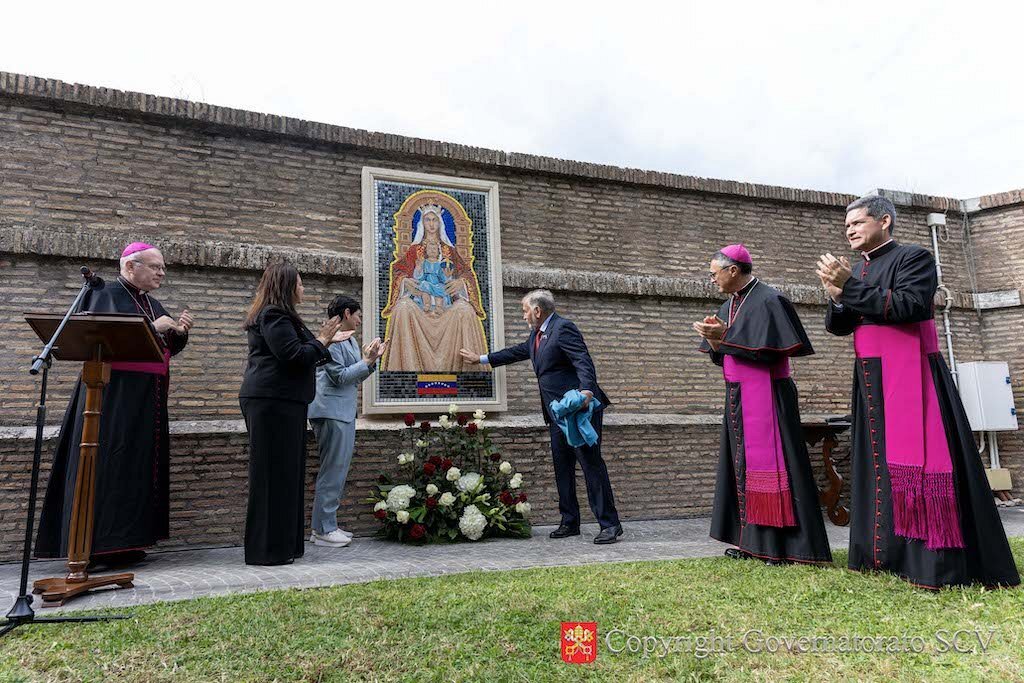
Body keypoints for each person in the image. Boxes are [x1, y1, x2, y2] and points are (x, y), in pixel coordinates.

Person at [818, 194, 1020, 589]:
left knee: (924, 464)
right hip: (871, 380)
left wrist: (849, 288)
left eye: (858, 223)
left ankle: (931, 562)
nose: (851, 231)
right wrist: (837, 295)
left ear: (885, 221)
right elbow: (839, 326)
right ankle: (882, 555)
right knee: (877, 468)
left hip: (913, 377)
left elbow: (909, 306)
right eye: (847, 227)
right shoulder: (858, 270)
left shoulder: (914, 258)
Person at [36, 242, 193, 569]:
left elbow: (162, 348)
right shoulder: (103, 293)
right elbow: (103, 340)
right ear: (130, 266)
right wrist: (155, 327)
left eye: (163, 268)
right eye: (155, 267)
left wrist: (178, 333)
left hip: (147, 401)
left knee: (135, 471)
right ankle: (94, 548)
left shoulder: (152, 302)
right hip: (111, 398)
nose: (162, 273)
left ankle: (128, 543)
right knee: (108, 465)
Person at [694, 245, 832, 566]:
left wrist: (725, 336)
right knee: (740, 468)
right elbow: (725, 353)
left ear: (733, 270)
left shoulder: (771, 299)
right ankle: (752, 543)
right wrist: (716, 341)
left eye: (714, 273)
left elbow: (770, 350)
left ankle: (783, 548)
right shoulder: (727, 305)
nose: (711, 280)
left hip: (769, 396)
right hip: (737, 397)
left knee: (778, 469)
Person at [459, 289, 623, 544]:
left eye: (525, 311)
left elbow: (583, 360)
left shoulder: (563, 328)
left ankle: (609, 524)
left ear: (537, 310)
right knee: (563, 467)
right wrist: (481, 359)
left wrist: (587, 391)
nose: (524, 316)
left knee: (591, 465)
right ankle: (570, 522)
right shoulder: (537, 335)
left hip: (578, 410)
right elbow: (516, 352)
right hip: (556, 414)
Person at [238, 263, 352, 565]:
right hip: (271, 401)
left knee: (287, 474)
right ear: (287, 286)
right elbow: (293, 356)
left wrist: (322, 343)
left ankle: (287, 546)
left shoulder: (283, 317)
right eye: (300, 284)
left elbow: (302, 354)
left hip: (284, 402)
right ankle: (268, 550)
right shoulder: (274, 314)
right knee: (271, 475)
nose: (303, 289)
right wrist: (322, 340)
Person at [307, 295, 387, 547]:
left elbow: (353, 376)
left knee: (337, 471)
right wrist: (366, 362)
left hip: (342, 412)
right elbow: (340, 377)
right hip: (331, 412)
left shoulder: (350, 340)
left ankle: (326, 525)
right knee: (332, 472)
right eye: (358, 315)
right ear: (346, 314)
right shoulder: (331, 340)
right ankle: (323, 529)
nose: (361, 320)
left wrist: (370, 360)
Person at [381, 203, 489, 371]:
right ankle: (407, 370)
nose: (431, 224)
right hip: (420, 301)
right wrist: (404, 281)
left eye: (434, 220)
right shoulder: (414, 250)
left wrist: (461, 283)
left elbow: (466, 272)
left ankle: (470, 375)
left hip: (445, 301)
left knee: (465, 310)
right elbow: (399, 270)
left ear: (440, 223)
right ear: (422, 223)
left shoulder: (449, 251)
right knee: (402, 308)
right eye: (427, 220)